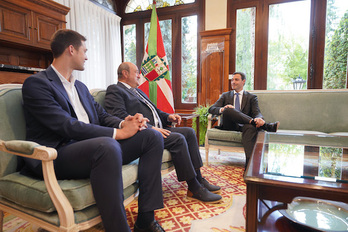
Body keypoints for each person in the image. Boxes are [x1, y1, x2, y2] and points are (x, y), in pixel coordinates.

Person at [20, 29, 166, 232]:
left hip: (94, 148)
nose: (87, 56)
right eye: (84, 51)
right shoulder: (37, 84)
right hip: (57, 154)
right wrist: (117, 134)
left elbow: (102, 116)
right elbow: (66, 125)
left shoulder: (80, 86)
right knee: (107, 145)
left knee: (151, 137)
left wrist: (126, 123)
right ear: (71, 50)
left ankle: (145, 219)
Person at [104, 62, 222, 203]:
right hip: (144, 133)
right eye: (136, 72)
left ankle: (199, 178)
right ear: (125, 73)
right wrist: (150, 128)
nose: (139, 75)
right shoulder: (115, 90)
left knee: (189, 132)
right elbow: (119, 116)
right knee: (178, 139)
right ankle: (194, 188)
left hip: (160, 128)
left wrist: (168, 116)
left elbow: (156, 111)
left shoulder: (139, 91)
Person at [208, 72, 279, 170]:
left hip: (244, 126)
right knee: (229, 109)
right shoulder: (226, 95)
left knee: (250, 127)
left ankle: (249, 167)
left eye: (236, 80)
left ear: (243, 81)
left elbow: (256, 112)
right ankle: (265, 126)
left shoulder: (251, 97)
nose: (233, 82)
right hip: (229, 125)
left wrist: (259, 119)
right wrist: (223, 109)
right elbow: (211, 109)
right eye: (232, 80)